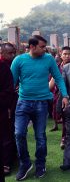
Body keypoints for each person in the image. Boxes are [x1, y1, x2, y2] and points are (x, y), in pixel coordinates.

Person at [10, 35, 69, 180]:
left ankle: (40, 164)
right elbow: (11, 82)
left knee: (40, 136)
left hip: (42, 103)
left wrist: (65, 95)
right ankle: (25, 163)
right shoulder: (19, 60)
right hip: (23, 103)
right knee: (19, 134)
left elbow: (59, 77)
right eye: (42, 47)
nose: (45, 49)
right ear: (32, 47)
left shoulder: (48, 59)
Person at [49, 46, 70, 149]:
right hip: (58, 95)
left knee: (68, 118)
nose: (67, 56)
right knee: (62, 117)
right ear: (60, 54)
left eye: (69, 54)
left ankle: (66, 137)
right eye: (64, 54)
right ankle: (65, 137)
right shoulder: (57, 67)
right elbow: (51, 83)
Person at [0, 43, 17, 176]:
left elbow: (8, 91)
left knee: (6, 135)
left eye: (13, 53)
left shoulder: (4, 68)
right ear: (2, 53)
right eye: (10, 53)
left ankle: (7, 162)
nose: (13, 55)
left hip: (5, 107)